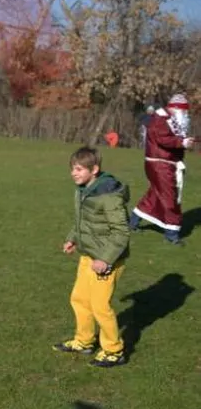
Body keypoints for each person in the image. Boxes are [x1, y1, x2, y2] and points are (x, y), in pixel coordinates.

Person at [56, 147, 130, 368]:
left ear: (94, 169)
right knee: (79, 299)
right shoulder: (84, 190)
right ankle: (84, 341)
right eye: (72, 169)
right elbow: (83, 222)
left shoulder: (108, 196)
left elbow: (121, 232)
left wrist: (105, 260)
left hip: (107, 261)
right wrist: (72, 238)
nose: (74, 173)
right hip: (88, 256)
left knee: (100, 306)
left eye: (79, 169)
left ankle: (114, 351)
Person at [130, 93, 194, 244]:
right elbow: (162, 138)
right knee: (171, 198)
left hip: (162, 163)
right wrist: (182, 143)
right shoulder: (161, 119)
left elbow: (168, 137)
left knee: (155, 195)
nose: (186, 114)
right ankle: (171, 233)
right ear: (178, 109)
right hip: (161, 164)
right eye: (184, 111)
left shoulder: (166, 118)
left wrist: (183, 142)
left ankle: (132, 221)